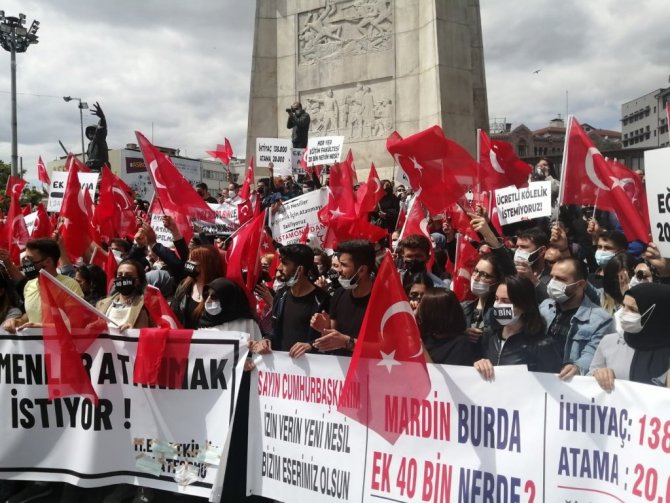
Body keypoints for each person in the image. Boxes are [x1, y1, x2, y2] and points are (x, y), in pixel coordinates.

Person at [474, 275, 562, 380]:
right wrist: (479, 364)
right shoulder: (489, 337)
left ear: (523, 305)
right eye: (496, 299)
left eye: (506, 301)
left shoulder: (543, 345)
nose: (498, 305)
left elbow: (553, 382)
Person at [539, 257, 614, 379]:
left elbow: (593, 353)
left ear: (581, 284)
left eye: (560, 279)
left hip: (567, 382)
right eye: (552, 277)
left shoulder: (601, 320)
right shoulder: (544, 307)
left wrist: (577, 367)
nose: (552, 283)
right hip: (539, 378)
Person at [590, 283, 669, 391]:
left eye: (633, 309)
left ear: (656, 315)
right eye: (624, 306)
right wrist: (598, 375)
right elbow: (587, 383)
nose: (624, 313)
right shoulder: (609, 342)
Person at [3, 238, 83, 332]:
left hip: (58, 341)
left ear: (48, 262)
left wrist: (42, 327)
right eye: (25, 258)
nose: (26, 263)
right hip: (34, 341)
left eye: (30, 259)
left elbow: (75, 324)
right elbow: (31, 315)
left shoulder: (69, 286)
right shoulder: (29, 285)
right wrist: (17, 321)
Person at [310, 240, 375, 354]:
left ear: (362, 270)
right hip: (338, 364)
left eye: (344, 265)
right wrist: (325, 328)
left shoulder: (382, 299)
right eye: (339, 264)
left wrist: (348, 342)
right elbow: (333, 338)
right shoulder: (339, 294)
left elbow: (387, 348)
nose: (339, 270)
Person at [267, 245, 330, 358]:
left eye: (285, 263)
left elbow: (330, 339)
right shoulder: (281, 296)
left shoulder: (323, 300)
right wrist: (266, 341)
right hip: (281, 365)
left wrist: (310, 345)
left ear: (300, 270)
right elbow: (274, 332)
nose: (279, 268)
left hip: (312, 366)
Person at [416, 288, 476, 365]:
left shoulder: (461, 344)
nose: (419, 309)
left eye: (423, 307)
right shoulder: (426, 335)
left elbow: (442, 372)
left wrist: (421, 349)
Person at [171, 246, 224, 329]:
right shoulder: (184, 285)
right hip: (184, 335)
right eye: (188, 259)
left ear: (206, 265)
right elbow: (174, 311)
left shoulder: (219, 292)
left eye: (192, 260)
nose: (188, 263)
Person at [461, 253, 506, 348]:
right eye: (475, 271)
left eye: (484, 275)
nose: (476, 277)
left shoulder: (503, 311)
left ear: (498, 281)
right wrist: (462, 334)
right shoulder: (463, 307)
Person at [97, 259, 151, 330]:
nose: (122, 278)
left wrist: (135, 331)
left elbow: (157, 331)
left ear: (138, 280)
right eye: (119, 275)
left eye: (128, 275)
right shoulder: (101, 304)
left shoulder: (147, 305)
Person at [85, 102, 109, 172]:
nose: (90, 132)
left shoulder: (99, 139)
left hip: (100, 170)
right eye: (88, 131)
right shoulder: (90, 145)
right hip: (91, 171)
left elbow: (101, 130)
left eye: (92, 131)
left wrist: (102, 118)